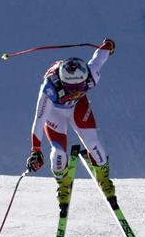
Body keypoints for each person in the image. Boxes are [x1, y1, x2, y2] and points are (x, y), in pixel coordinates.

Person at [25, 38, 117, 211]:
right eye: (70, 87)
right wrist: (36, 150)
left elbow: (99, 58)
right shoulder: (50, 87)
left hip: (78, 107)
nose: (74, 90)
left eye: (79, 85)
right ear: (62, 80)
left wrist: (108, 46)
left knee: (94, 144)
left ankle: (104, 180)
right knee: (58, 152)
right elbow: (39, 120)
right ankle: (63, 184)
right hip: (55, 113)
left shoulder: (91, 75)